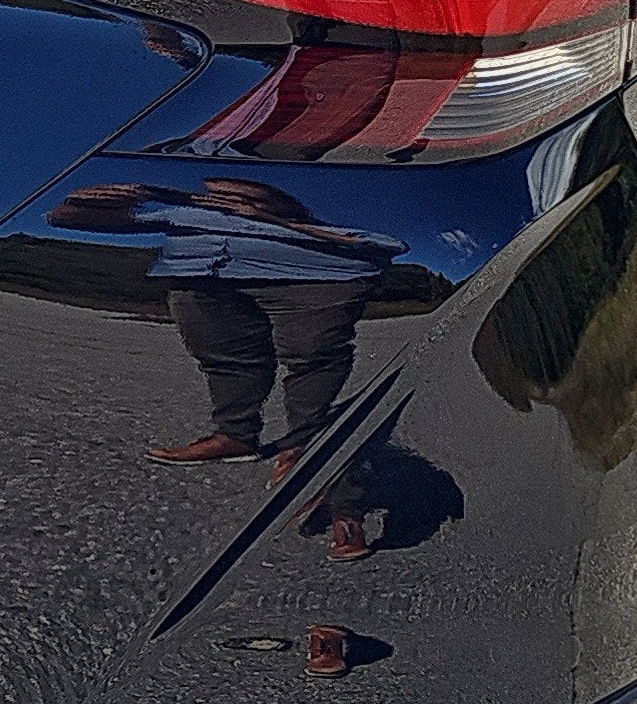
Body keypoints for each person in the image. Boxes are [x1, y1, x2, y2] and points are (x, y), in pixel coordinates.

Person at [48, 177, 407, 493]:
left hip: (316, 280)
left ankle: (304, 446)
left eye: (241, 196)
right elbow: (62, 219)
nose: (223, 201)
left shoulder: (308, 223)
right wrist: (99, 199)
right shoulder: (184, 215)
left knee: (312, 357)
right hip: (199, 280)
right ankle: (235, 435)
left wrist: (271, 219)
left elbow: (389, 247)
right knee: (224, 357)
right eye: (216, 194)